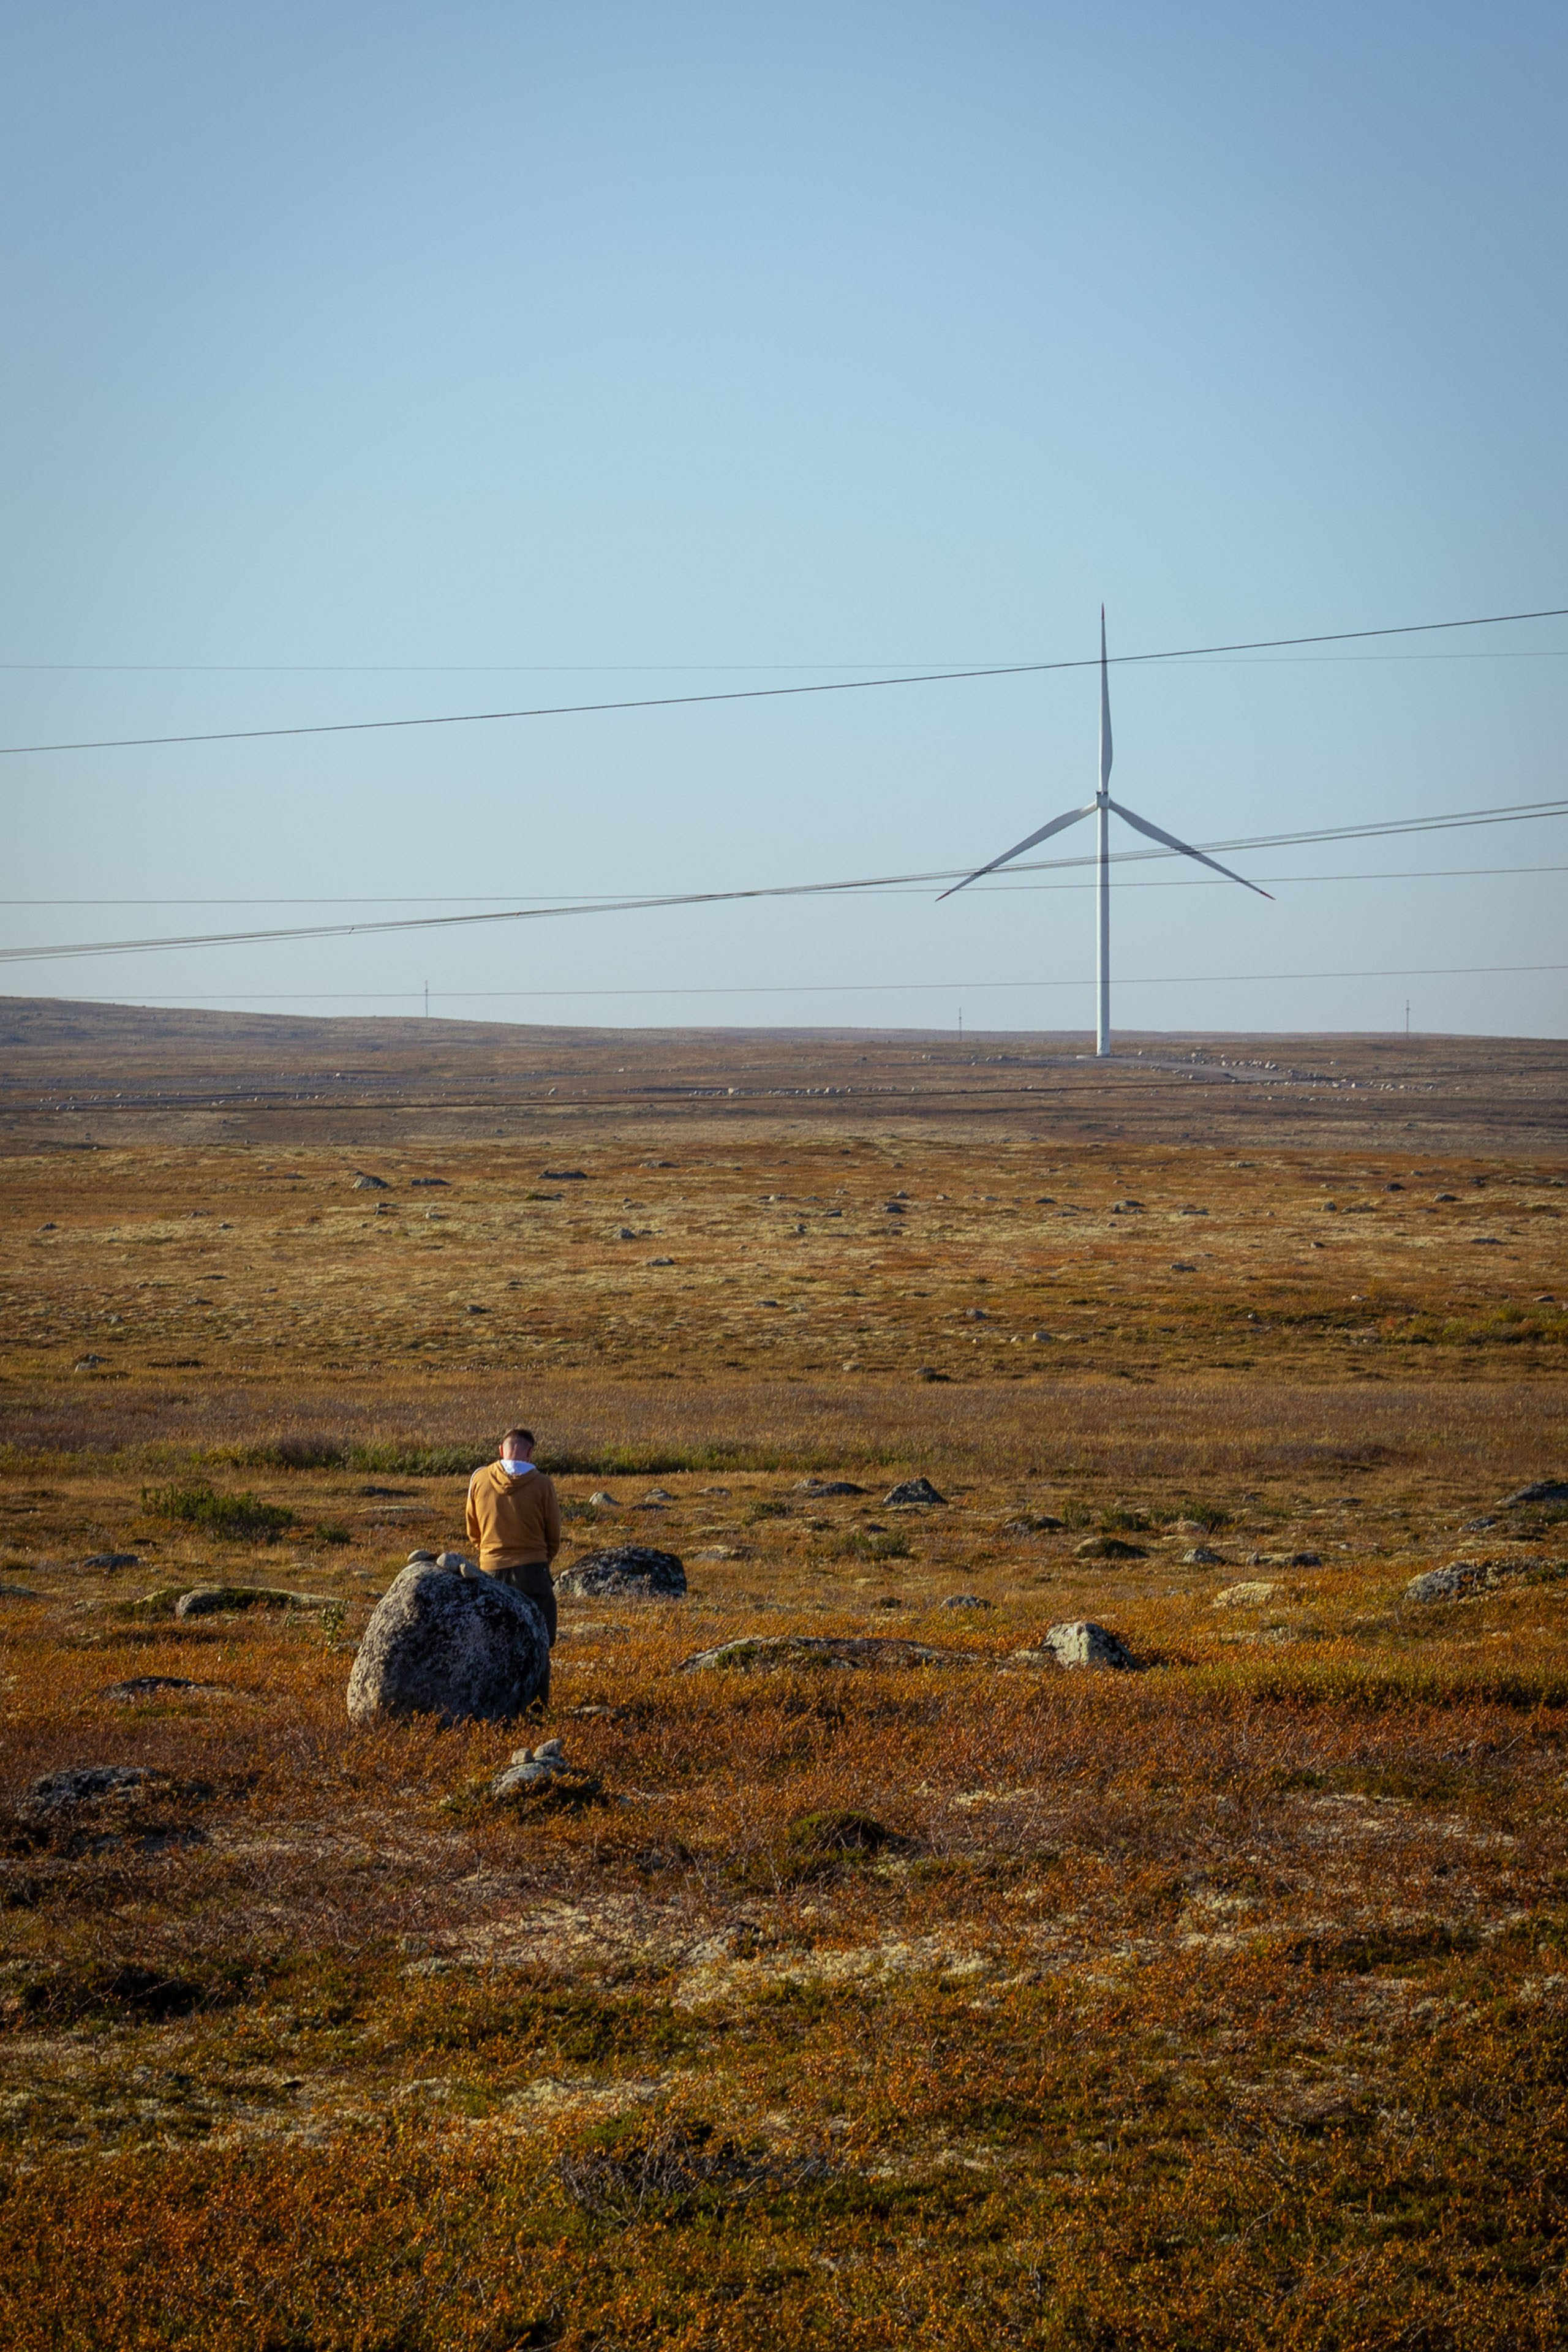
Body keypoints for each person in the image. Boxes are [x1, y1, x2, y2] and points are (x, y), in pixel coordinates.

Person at [465, 1427, 562, 1701]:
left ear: (501, 1449)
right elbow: (553, 1536)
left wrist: (490, 1556)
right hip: (533, 1572)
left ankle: (493, 1707)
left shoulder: (479, 1479)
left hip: (490, 1572)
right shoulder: (543, 1484)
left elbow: (473, 1532)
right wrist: (539, 1560)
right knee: (540, 1643)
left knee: (493, 1644)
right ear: (530, 1452)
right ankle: (537, 1708)